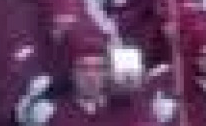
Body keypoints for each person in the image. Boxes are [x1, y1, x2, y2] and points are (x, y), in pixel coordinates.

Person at [17, 25, 156, 125]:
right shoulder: (55, 115)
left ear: (107, 73)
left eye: (98, 68)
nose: (91, 76)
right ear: (72, 73)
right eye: (83, 68)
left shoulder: (130, 111)